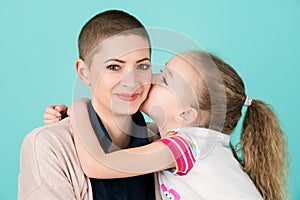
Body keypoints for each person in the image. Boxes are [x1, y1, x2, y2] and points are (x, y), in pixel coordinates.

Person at [46, 51, 289, 200]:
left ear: (185, 114)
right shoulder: (200, 145)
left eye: (165, 80)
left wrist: (81, 108)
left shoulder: (187, 146)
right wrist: (72, 118)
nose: (150, 78)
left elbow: (99, 164)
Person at [18, 10, 158, 200]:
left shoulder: (162, 139)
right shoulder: (48, 147)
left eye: (142, 66)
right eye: (114, 67)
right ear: (84, 72)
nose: (131, 82)